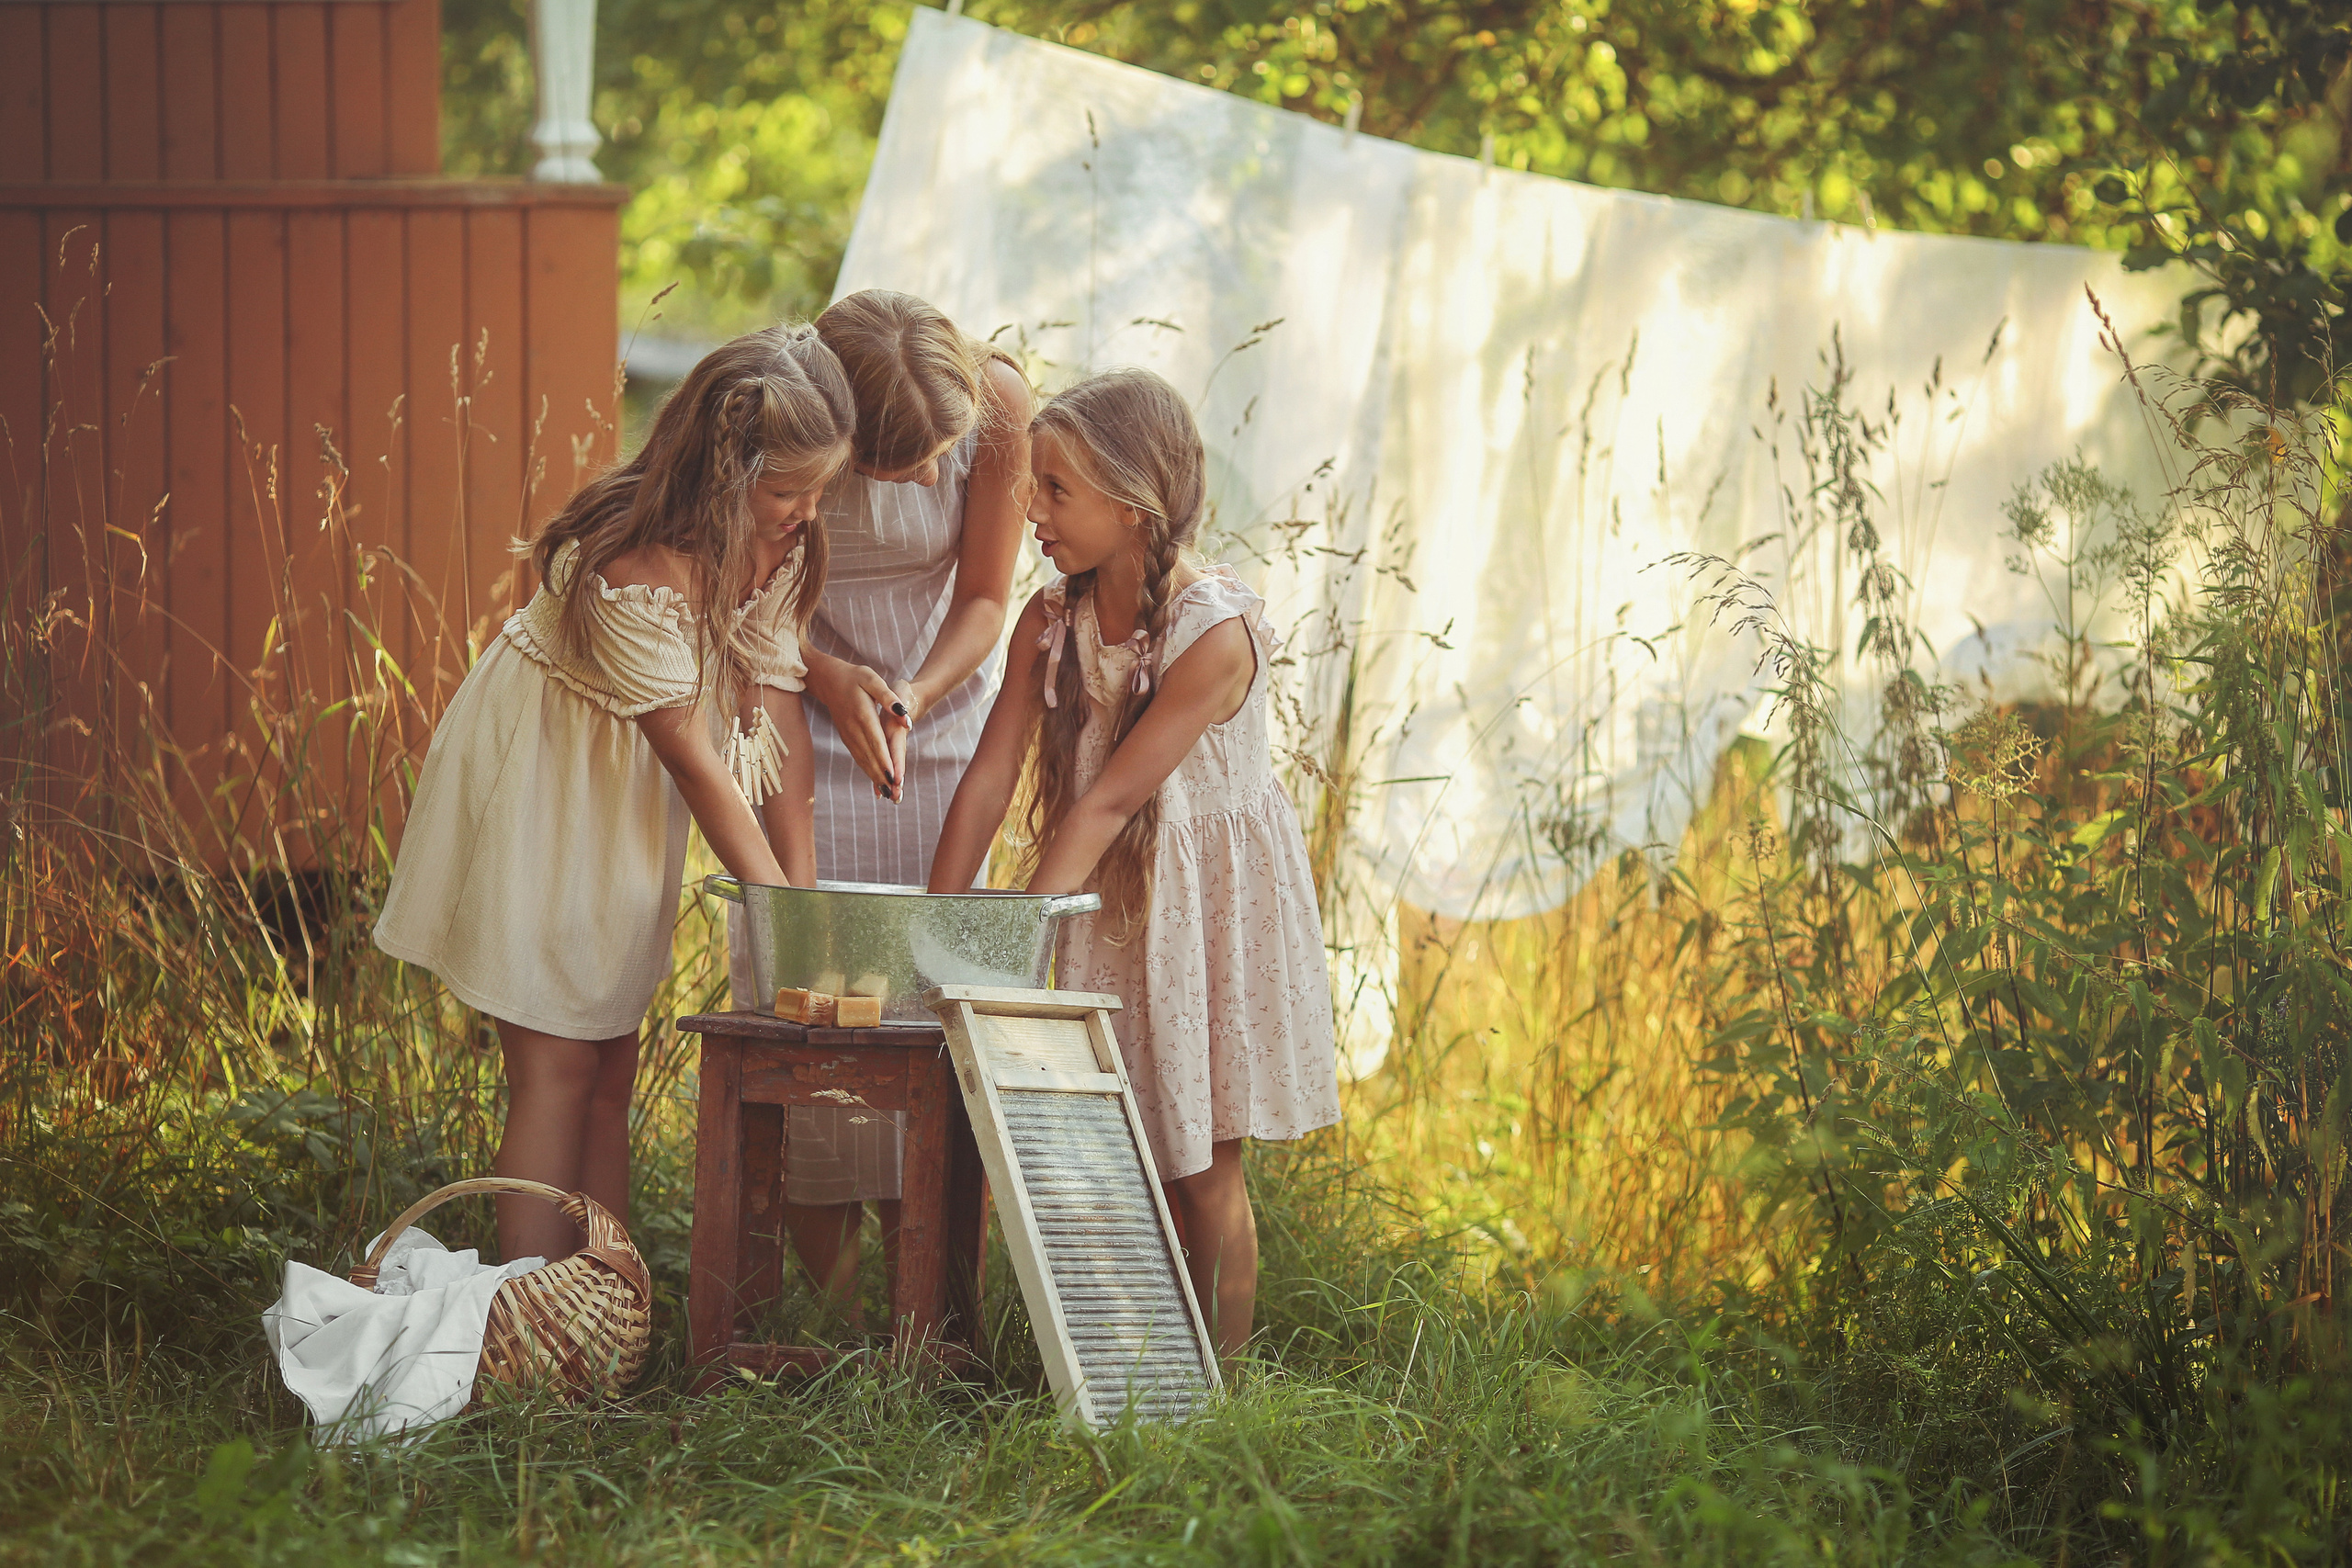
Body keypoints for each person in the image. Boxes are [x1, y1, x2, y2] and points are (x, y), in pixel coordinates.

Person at [375, 325, 853, 1264]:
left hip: (621, 802)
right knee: (556, 1060)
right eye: (787, 488)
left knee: (611, 1060)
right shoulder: (631, 568)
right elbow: (699, 769)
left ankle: (605, 1304)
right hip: (546, 787)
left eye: (820, 487)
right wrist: (777, 914)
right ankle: (535, 1315)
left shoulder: (774, 542)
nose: (807, 509)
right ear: (724, 472)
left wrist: (800, 898)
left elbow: (769, 706)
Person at [928, 367, 1341, 1359]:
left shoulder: (1215, 633)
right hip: (1106, 898)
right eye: (1031, 483)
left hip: (1201, 905)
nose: (1030, 508)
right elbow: (987, 780)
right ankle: (1138, 1372)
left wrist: (1016, 943)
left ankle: (1218, 1398)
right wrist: (939, 931)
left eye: (1055, 490)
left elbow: (1113, 797)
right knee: (1123, 1149)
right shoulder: (1047, 621)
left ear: (1131, 503)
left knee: (1202, 1163)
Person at [733, 289, 1032, 1314]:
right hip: (793, 714)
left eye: (939, 456)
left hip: (936, 730)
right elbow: (734, 592)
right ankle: (846, 1310)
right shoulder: (778, 411)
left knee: (941, 1013)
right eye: (900, 465)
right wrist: (822, 674)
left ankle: (938, 1307)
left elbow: (988, 597)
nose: (927, 477)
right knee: (820, 1018)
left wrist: (911, 692)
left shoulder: (994, 403)